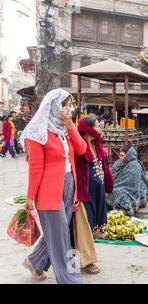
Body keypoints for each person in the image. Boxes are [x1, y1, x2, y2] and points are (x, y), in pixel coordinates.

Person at [21, 88, 86, 283]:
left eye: (70, 106)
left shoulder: (65, 129)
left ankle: (35, 261)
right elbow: (36, 167)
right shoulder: (38, 132)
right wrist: (30, 196)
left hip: (68, 186)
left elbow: (82, 149)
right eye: (64, 106)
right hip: (49, 191)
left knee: (60, 232)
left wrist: (72, 126)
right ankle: (69, 278)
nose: (68, 110)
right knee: (61, 238)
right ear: (53, 107)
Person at [75, 115, 113, 239]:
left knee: (99, 216)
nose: (99, 129)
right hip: (88, 190)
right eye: (97, 126)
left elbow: (104, 167)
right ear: (88, 129)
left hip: (99, 188)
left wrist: (105, 187)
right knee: (89, 218)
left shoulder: (96, 145)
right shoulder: (80, 147)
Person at [106, 145, 148, 216]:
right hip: (118, 186)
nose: (120, 158)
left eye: (122, 156)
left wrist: (117, 188)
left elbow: (133, 184)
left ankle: (122, 212)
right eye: (119, 155)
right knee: (107, 191)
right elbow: (112, 177)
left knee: (121, 195)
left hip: (131, 190)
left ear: (128, 156)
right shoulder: (118, 164)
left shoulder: (134, 165)